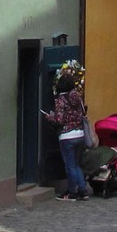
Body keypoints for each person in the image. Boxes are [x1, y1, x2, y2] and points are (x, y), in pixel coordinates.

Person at [45, 68, 90, 201]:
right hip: (80, 134)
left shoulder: (61, 99)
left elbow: (59, 120)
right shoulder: (78, 97)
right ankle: (83, 190)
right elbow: (83, 113)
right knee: (76, 164)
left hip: (67, 136)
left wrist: (49, 117)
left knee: (70, 165)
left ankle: (72, 191)